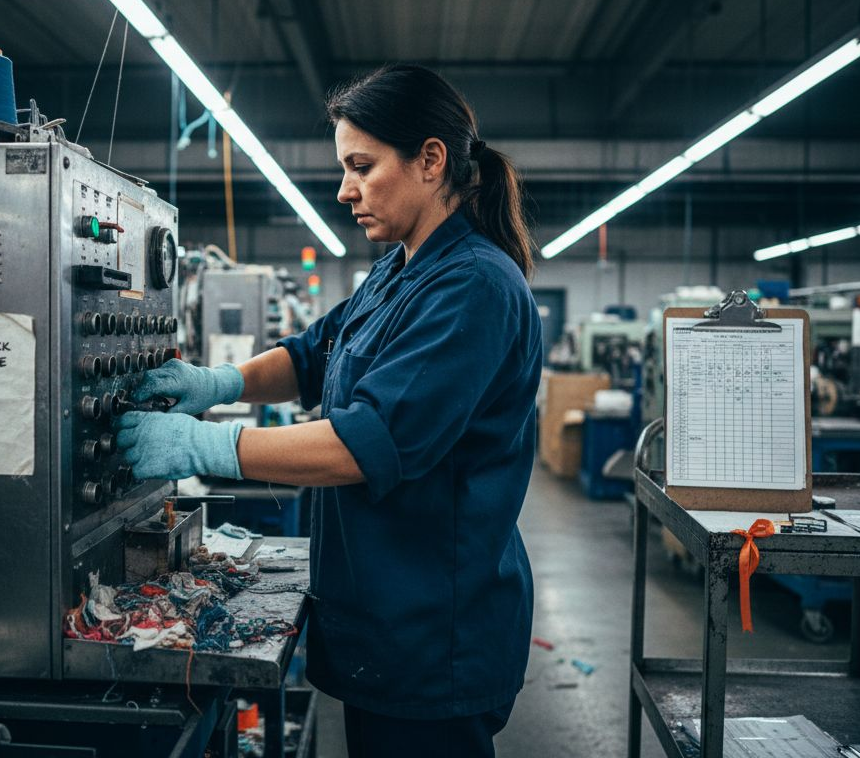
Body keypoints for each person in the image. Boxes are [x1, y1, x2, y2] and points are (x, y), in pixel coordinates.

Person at [118, 64, 542, 758]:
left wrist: (205, 449)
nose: (345, 189)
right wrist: (216, 382)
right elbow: (314, 352)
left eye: (361, 166)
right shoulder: (401, 267)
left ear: (430, 160)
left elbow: (363, 443)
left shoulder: (473, 287)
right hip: (385, 613)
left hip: (434, 630)